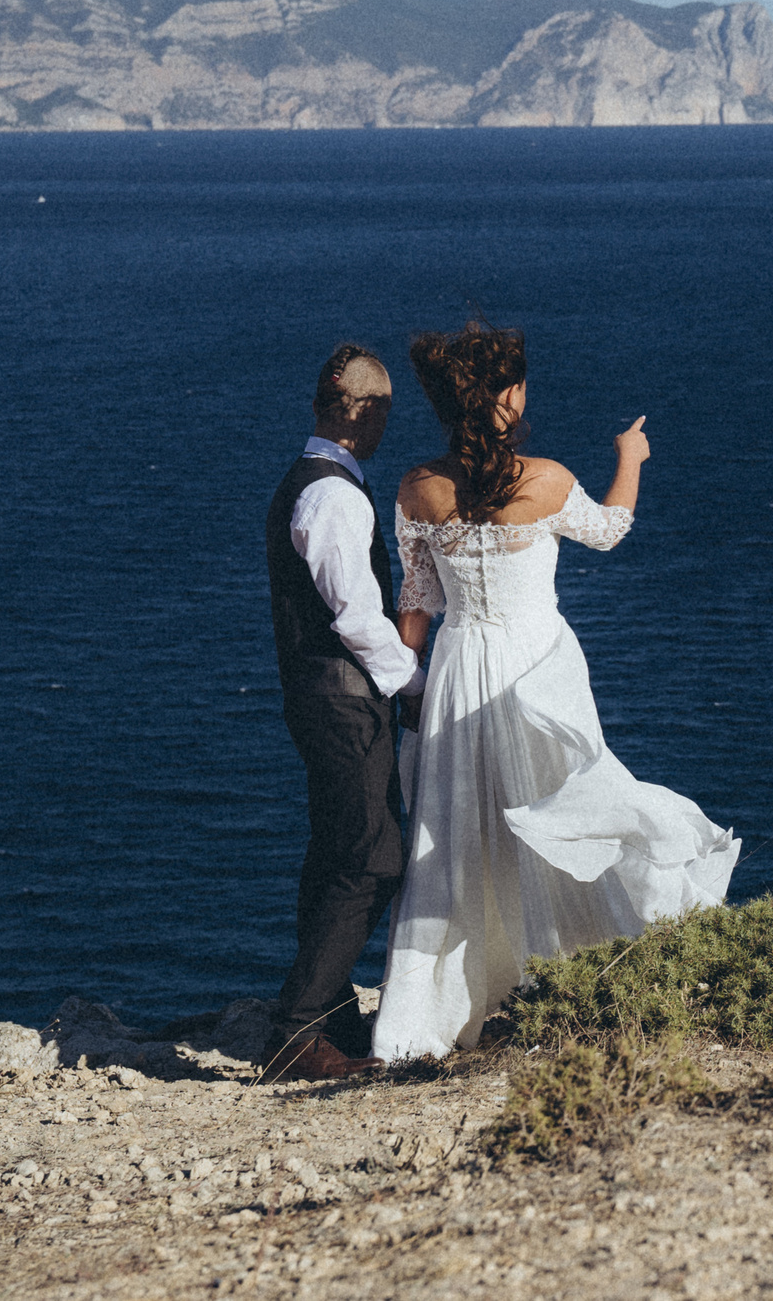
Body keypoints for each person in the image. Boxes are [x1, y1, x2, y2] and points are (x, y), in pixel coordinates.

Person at [371, 322, 737, 1061]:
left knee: (457, 832)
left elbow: (415, 608)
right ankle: (574, 976)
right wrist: (629, 456)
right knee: (560, 811)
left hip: (459, 665)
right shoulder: (548, 479)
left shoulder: (416, 487)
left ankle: (445, 1008)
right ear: (508, 398)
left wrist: (402, 690)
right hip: (536, 668)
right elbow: (610, 528)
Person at [261, 343, 425, 1081]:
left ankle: (324, 1014)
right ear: (362, 410)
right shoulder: (335, 496)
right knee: (372, 856)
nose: (388, 422)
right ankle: (297, 1032)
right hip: (343, 699)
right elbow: (355, 613)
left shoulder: (309, 482)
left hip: (318, 695)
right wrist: (411, 681)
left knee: (335, 848)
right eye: (384, 409)